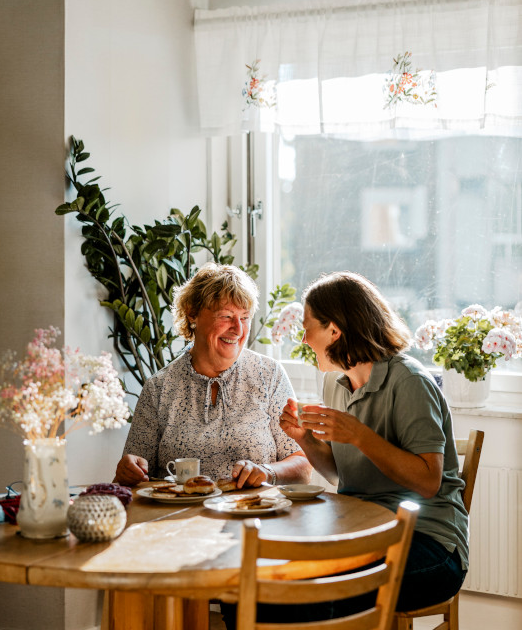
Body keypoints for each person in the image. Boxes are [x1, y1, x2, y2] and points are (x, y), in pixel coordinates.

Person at [279, 271, 469, 615]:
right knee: (266, 585)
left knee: (308, 596)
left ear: (334, 331)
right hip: (360, 529)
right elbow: (342, 476)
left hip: (428, 543)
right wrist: (305, 440)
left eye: (308, 327)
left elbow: (428, 482)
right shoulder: (335, 384)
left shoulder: (410, 382)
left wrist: (360, 436)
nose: (304, 338)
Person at [114, 262, 310, 488]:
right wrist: (127, 471)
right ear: (192, 313)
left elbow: (303, 466)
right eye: (226, 316)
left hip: (254, 515)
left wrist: (266, 472)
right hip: (182, 520)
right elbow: (130, 479)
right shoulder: (159, 388)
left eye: (244, 317)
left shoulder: (270, 375)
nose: (237, 329)